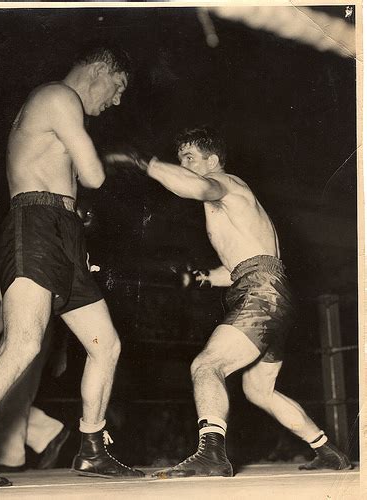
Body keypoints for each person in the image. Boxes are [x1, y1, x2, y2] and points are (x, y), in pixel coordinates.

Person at [0, 46, 144, 487]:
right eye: (118, 88)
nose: (116, 101)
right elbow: (93, 177)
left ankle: (92, 449)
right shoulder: (59, 96)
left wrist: (79, 202)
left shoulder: (58, 110)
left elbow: (72, 176)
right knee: (22, 344)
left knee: (105, 346)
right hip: (35, 225)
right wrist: (98, 166)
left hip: (62, 230)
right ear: (102, 70)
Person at [107, 126, 352, 478]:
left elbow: (197, 187)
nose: (184, 165)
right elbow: (240, 266)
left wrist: (142, 161)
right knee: (259, 390)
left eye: (190, 158)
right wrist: (205, 277)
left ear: (214, 160)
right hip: (266, 287)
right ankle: (327, 450)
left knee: (207, 365)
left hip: (261, 291)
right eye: (181, 159)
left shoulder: (225, 183)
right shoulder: (236, 203)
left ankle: (211, 454)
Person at [0, 288, 69, 472]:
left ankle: (8, 461)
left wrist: (60, 351)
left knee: (16, 396)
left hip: (35, 334)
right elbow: (4, 309)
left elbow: (64, 311)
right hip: (10, 336)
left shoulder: (43, 260)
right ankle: (48, 431)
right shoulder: (9, 265)